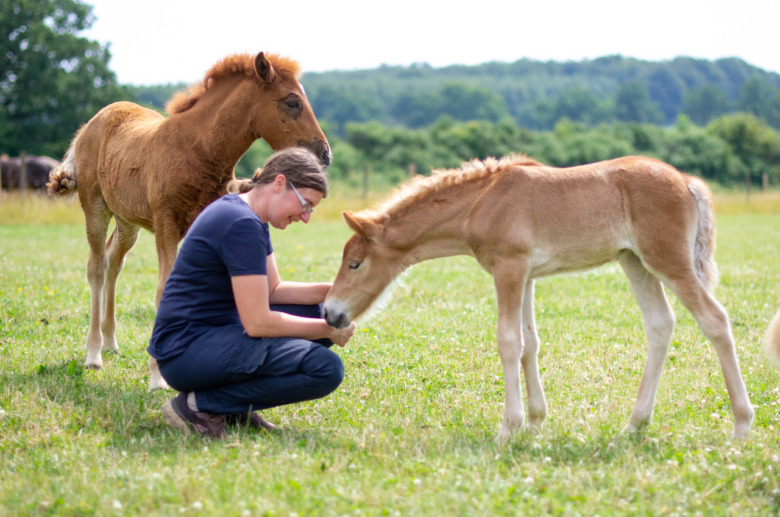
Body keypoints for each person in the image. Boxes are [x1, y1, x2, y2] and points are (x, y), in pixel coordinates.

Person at [148, 147, 356, 438]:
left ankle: (234, 408)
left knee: (322, 312)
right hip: (186, 351)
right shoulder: (241, 224)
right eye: (305, 205)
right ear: (280, 183)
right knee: (326, 369)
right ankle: (200, 405)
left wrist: (341, 292)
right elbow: (258, 323)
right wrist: (328, 329)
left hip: (209, 340)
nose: (306, 217)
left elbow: (273, 290)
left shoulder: (249, 216)